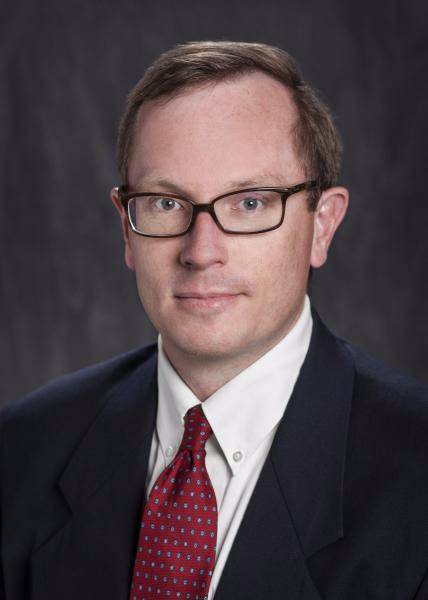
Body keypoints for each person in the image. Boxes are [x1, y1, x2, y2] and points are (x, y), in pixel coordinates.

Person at [1, 41, 427, 600]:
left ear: (321, 225)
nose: (202, 252)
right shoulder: (20, 451)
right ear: (127, 228)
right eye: (165, 203)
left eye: (250, 202)